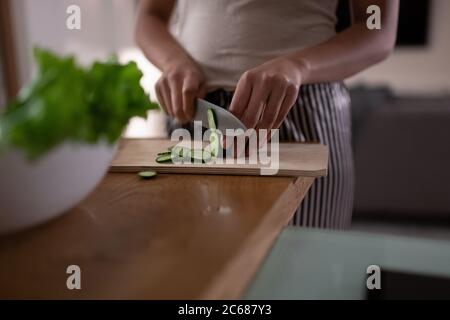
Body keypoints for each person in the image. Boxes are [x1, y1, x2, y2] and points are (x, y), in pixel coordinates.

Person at [135, 0, 399, 229]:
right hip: (194, 114)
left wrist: (298, 66)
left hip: (302, 115)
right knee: (194, 268)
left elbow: (376, 26)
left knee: (301, 274)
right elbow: (150, 16)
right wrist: (173, 62)